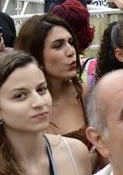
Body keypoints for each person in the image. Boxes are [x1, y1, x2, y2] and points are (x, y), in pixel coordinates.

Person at [16, 14, 89, 146]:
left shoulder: (81, 92)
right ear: (35, 55)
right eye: (58, 45)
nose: (71, 51)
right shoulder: (20, 105)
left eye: (71, 42)